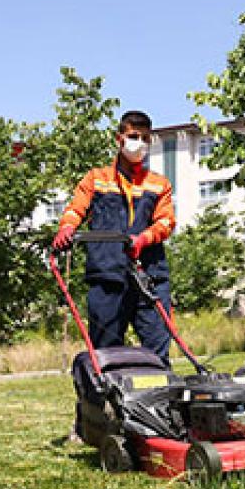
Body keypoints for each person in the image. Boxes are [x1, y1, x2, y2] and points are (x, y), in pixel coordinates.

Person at [52, 110, 176, 440]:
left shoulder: (158, 185)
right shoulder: (96, 179)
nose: (139, 144)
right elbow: (76, 209)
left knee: (158, 353)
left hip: (148, 278)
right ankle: (92, 424)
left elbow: (166, 223)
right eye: (133, 136)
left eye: (145, 138)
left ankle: (163, 420)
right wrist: (67, 229)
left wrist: (144, 239)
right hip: (107, 277)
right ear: (119, 138)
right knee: (103, 354)